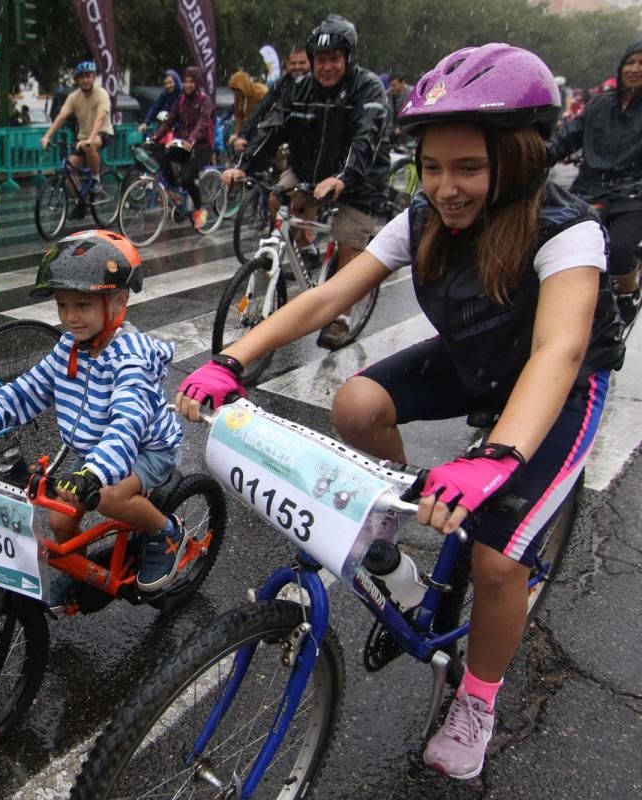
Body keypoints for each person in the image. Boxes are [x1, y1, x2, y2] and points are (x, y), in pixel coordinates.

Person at [178, 44, 623, 781]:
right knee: (355, 402)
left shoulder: (565, 228)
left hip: (555, 385)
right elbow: (327, 297)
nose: (446, 188)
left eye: (469, 169)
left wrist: (497, 457)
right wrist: (231, 362)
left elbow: (559, 352)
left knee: (498, 560)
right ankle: (402, 528)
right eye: (433, 167)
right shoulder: (419, 216)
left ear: (514, 159)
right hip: (474, 359)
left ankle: (477, 697)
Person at [0, 230, 185, 595]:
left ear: (119, 301)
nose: (69, 318)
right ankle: (78, 573)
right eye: (62, 305)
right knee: (60, 517)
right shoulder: (70, 346)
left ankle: (166, 532)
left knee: (111, 499)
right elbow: (28, 389)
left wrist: (93, 473)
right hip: (95, 454)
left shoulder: (131, 359)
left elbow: (127, 426)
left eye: (82, 306)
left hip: (145, 449)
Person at [223, 14, 393, 350]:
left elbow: (365, 139)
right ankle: (307, 248)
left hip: (360, 178)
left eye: (334, 59)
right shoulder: (299, 89)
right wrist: (243, 166)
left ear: (348, 58)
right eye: (321, 60)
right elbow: (273, 130)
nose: (327, 67)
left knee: (348, 240)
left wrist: (343, 178)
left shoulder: (367, 87)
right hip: (309, 171)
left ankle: (341, 314)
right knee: (278, 201)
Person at [548, 39, 642, 325]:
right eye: (630, 62)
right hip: (587, 190)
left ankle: (629, 294)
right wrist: (535, 155)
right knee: (555, 240)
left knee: (620, 251)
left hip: (632, 196)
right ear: (621, 67)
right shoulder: (599, 104)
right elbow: (567, 138)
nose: (635, 69)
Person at [41, 60, 113, 206]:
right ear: (77, 80)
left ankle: (96, 178)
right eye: (82, 77)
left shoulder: (102, 94)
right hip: (83, 137)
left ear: (93, 77)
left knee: (89, 146)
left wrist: (90, 139)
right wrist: (47, 136)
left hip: (103, 133)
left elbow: (100, 119)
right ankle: (79, 200)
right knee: (69, 171)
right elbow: (61, 117)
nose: (85, 80)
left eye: (88, 76)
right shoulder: (74, 97)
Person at [154, 66, 215, 231]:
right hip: (184, 144)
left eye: (191, 81)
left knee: (188, 179)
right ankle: (177, 195)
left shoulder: (204, 101)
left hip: (202, 147)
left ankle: (199, 210)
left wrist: (192, 138)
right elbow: (170, 120)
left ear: (197, 83)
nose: (188, 85)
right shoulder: (181, 100)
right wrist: (156, 136)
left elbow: (203, 123)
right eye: (186, 81)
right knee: (166, 157)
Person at [233, 45, 311, 153]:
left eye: (302, 63)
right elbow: (262, 107)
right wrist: (242, 136)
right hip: (283, 133)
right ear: (287, 64)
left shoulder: (318, 82)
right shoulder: (283, 82)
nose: (297, 67)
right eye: (293, 63)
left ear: (311, 62)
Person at [225, 69, 267, 154]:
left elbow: (270, 113)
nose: (236, 92)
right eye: (234, 90)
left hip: (264, 128)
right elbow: (239, 116)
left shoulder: (261, 91)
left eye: (238, 89)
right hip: (250, 128)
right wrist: (237, 134)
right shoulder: (238, 97)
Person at [137, 70, 181, 134]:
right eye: (166, 84)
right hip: (171, 125)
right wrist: (145, 123)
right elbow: (155, 107)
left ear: (176, 81)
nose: (168, 86)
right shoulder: (166, 93)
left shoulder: (183, 93)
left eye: (170, 82)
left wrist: (176, 126)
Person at [388, 74, 409, 144]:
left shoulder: (411, 93)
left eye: (394, 85)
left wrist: (400, 128)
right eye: (391, 86)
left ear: (402, 83)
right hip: (393, 128)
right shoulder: (389, 94)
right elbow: (389, 112)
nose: (392, 88)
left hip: (407, 127)